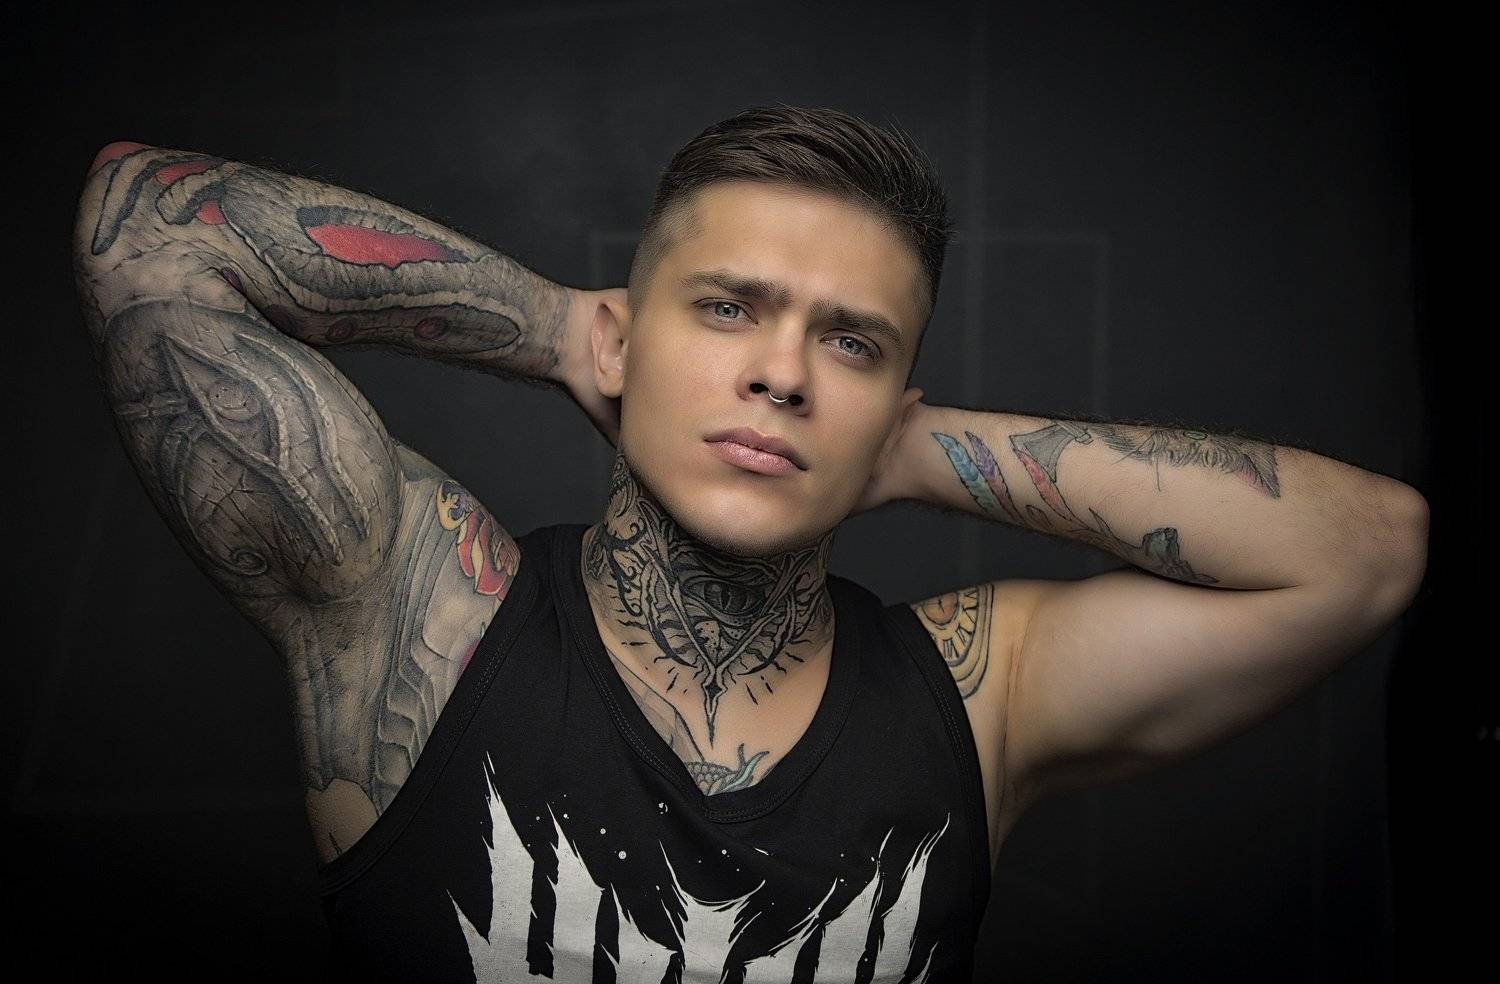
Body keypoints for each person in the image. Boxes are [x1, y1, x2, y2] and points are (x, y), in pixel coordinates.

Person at [71, 104, 1428, 982]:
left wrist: (915, 446)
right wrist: (560, 330)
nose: (784, 373)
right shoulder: (424, 619)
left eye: (852, 343)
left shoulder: (980, 695)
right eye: (728, 308)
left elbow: (1369, 547)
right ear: (626, 335)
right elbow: (148, 232)